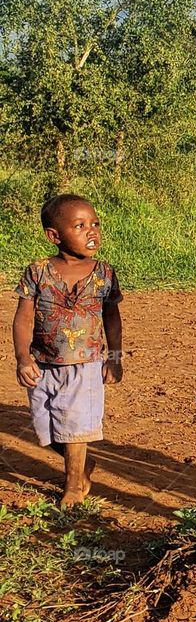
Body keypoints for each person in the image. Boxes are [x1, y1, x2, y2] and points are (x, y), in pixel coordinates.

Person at [12, 195, 123, 507]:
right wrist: (22, 358)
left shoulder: (104, 273)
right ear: (54, 235)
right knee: (45, 428)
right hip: (42, 363)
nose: (92, 231)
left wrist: (114, 358)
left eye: (95, 224)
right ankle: (82, 464)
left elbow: (112, 317)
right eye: (80, 226)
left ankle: (73, 485)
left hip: (86, 363)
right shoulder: (37, 272)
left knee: (75, 426)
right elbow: (23, 317)